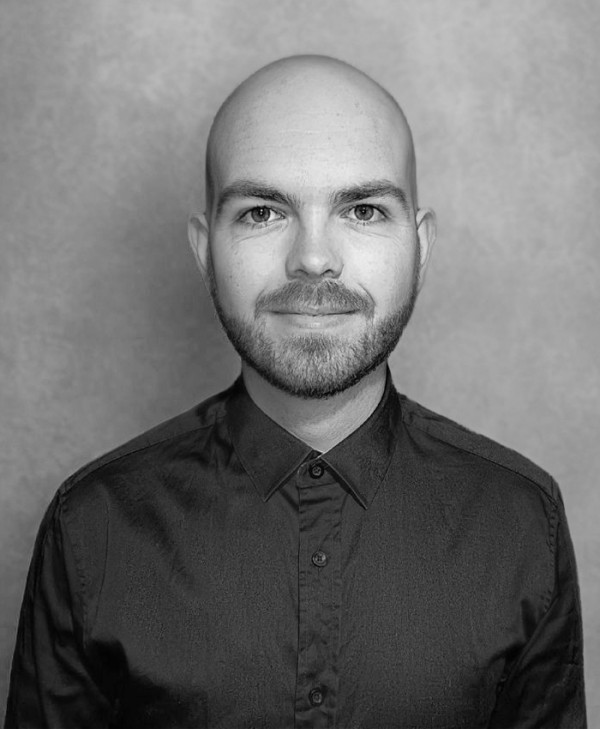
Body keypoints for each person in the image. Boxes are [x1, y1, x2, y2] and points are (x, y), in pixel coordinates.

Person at [5, 55, 586, 728]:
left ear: (420, 247)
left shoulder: (523, 522)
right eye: (262, 212)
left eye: (363, 209)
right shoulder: (92, 529)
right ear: (205, 250)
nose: (313, 258)